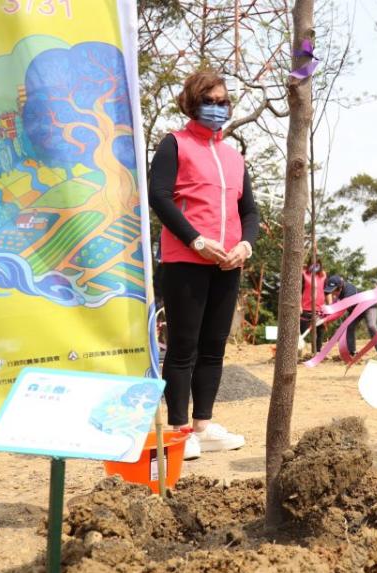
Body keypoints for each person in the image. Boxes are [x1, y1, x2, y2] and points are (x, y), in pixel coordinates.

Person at [148, 70, 258, 460]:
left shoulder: (234, 157)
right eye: (210, 101)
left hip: (227, 265)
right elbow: (159, 197)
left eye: (223, 101)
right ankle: (178, 430)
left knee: (213, 348)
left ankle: (203, 426)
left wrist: (245, 244)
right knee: (183, 347)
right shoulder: (174, 145)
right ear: (193, 104)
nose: (218, 108)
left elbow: (250, 211)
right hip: (186, 261)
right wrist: (196, 240)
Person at [324, 275, 377, 356]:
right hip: (356, 310)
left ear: (340, 287)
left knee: (371, 326)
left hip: (368, 305)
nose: (333, 294)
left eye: (334, 291)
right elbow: (333, 306)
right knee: (349, 326)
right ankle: (352, 352)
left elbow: (339, 310)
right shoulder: (338, 295)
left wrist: (326, 319)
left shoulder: (349, 290)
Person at [300, 260, 327, 352]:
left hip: (320, 309)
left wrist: (329, 306)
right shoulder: (304, 275)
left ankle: (317, 352)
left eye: (317, 264)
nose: (315, 266)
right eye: (312, 264)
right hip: (306, 309)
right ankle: (301, 352)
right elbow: (299, 291)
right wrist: (299, 306)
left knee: (320, 332)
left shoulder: (323, 276)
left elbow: (327, 292)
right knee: (304, 333)